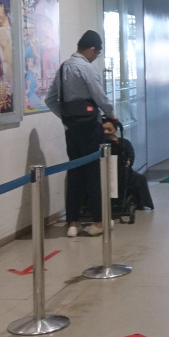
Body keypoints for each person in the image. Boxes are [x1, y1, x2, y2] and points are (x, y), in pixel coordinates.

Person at [45, 30, 117, 238]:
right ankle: (98, 222)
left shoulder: (63, 68)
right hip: (90, 128)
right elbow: (99, 96)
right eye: (97, 53)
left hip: (71, 130)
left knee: (75, 173)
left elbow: (50, 99)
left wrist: (65, 118)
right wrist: (111, 114)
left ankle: (72, 223)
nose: (96, 57)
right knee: (94, 173)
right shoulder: (86, 68)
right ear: (92, 49)